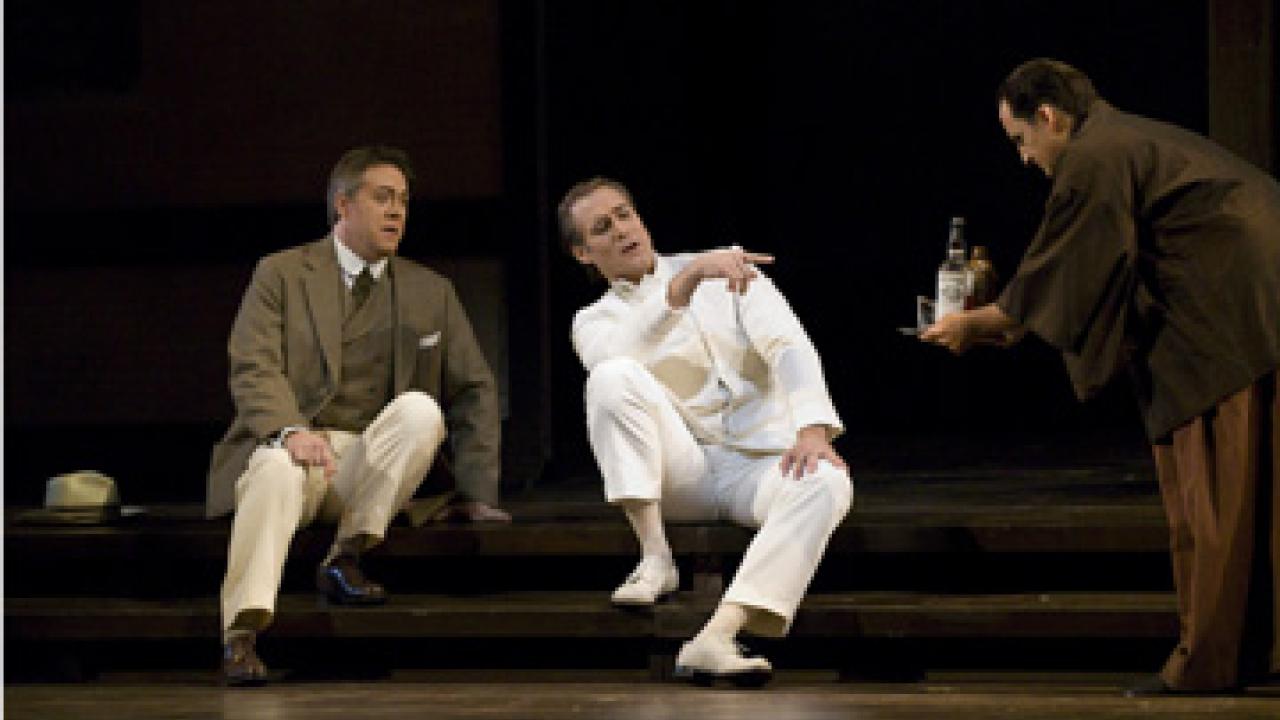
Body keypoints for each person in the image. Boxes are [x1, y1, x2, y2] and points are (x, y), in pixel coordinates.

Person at [922, 59, 1280, 696]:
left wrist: (982, 323)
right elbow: (1079, 272)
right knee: (1261, 496)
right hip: (1255, 309)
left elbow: (1069, 264)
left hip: (1227, 319)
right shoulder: (1131, 140)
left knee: (1214, 496)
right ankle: (1257, 652)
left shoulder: (1095, 155)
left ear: (1049, 118)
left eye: (1021, 140)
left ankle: (1209, 663)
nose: (1024, 159)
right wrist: (1008, 317)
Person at [207, 145, 509, 686]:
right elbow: (253, 366)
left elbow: (474, 389)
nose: (397, 212)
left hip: (366, 469)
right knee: (275, 467)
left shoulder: (429, 290)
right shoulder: (280, 273)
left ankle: (344, 554)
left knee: (420, 410)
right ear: (342, 206)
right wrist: (290, 430)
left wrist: (476, 489)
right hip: (294, 456)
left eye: (404, 202)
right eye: (383, 198)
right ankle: (240, 635)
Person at [558, 177, 853, 686]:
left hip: (760, 464)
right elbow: (620, 355)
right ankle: (655, 556)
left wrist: (813, 429)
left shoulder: (725, 269)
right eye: (602, 228)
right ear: (583, 253)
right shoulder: (594, 319)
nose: (623, 230)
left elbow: (788, 344)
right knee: (611, 377)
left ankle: (718, 635)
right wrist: (685, 282)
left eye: (625, 214)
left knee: (828, 482)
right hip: (685, 473)